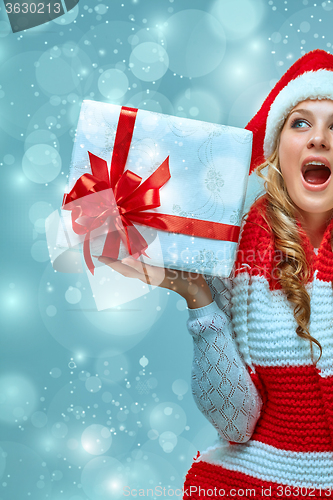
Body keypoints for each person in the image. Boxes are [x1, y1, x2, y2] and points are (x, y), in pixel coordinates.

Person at [98, 49, 333, 499]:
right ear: (276, 149)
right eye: (300, 122)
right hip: (257, 481)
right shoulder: (234, 255)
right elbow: (234, 424)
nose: (319, 138)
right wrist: (198, 299)